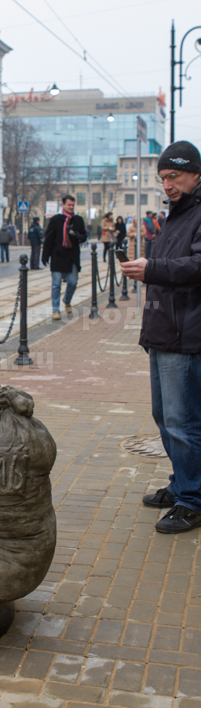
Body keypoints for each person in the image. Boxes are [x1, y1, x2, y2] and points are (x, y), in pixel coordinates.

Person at [121, 140, 201, 534]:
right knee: (165, 418)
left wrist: (151, 269)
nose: (167, 184)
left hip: (185, 335)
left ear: (195, 174)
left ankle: (193, 500)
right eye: (163, 178)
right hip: (163, 331)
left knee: (183, 422)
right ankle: (182, 483)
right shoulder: (175, 215)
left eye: (174, 176)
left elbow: (196, 266)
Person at [42, 194, 86, 320]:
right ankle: (55, 310)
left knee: (72, 282)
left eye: (73, 205)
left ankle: (66, 300)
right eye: (69, 205)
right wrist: (45, 255)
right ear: (63, 205)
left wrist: (76, 234)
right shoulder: (56, 220)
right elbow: (49, 238)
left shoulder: (78, 220)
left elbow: (84, 236)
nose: (71, 207)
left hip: (72, 256)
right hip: (57, 256)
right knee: (56, 285)